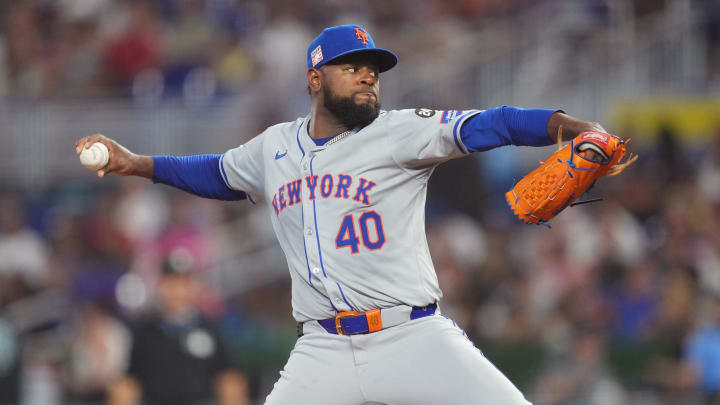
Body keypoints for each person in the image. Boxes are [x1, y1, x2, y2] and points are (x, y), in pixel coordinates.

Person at [79, 24, 613, 404]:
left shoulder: (399, 131)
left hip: (412, 336)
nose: (367, 77)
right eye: (352, 67)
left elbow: (492, 123)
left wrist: (573, 128)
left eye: (374, 69)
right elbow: (217, 173)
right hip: (321, 349)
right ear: (314, 79)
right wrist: (137, 164)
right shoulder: (274, 148)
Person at [108, 252, 248, 405]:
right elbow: (129, 380)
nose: (177, 291)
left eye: (184, 283)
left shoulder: (210, 329)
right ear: (160, 285)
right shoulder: (145, 331)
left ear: (194, 286)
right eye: (171, 283)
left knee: (232, 384)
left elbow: (227, 377)